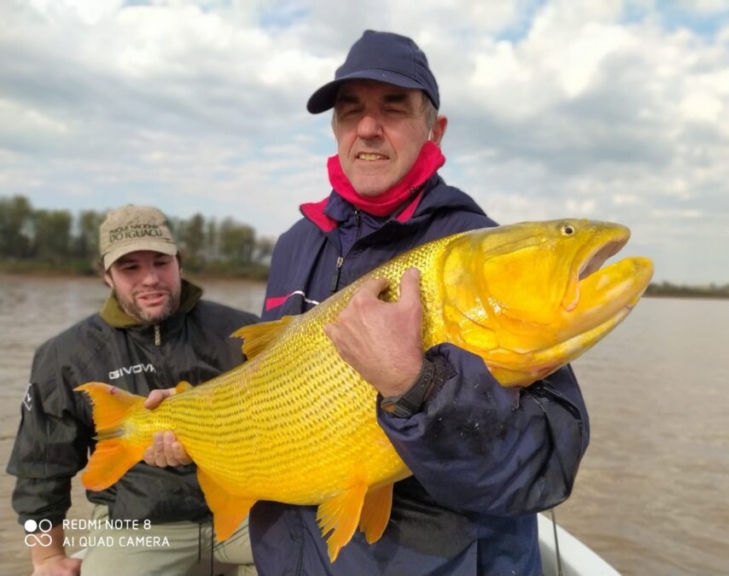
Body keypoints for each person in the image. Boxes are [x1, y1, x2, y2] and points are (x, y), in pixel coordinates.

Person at [151, 30, 590, 576]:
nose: (367, 127)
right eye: (350, 109)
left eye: (393, 107)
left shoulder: (477, 255)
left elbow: (542, 468)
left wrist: (415, 385)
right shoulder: (296, 243)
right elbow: (266, 383)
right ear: (336, 128)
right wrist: (190, 419)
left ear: (435, 128)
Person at [6, 205, 258, 576]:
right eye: (130, 268)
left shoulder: (242, 331)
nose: (150, 279)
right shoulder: (65, 355)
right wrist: (45, 557)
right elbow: (39, 470)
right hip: (139, 523)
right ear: (107, 276)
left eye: (160, 262)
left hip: (246, 510)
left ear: (179, 263)